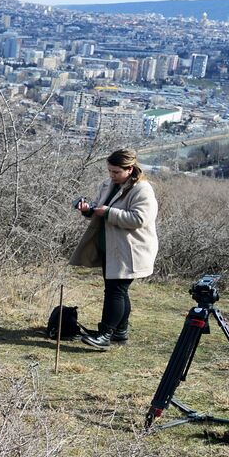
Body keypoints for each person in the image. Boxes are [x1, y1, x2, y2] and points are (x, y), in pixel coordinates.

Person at [68, 149, 159, 348]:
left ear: (130, 169)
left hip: (130, 250)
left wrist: (109, 212)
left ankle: (106, 334)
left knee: (115, 291)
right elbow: (101, 209)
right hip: (111, 248)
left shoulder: (142, 189)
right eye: (110, 171)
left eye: (116, 172)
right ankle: (120, 332)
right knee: (118, 291)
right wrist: (88, 210)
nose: (111, 175)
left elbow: (140, 219)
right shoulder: (108, 184)